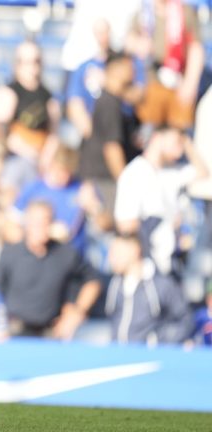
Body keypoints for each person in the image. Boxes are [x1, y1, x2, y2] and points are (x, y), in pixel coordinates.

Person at [0, 201, 101, 339]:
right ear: (27, 224)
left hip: (51, 333)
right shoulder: (10, 254)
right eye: (36, 222)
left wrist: (77, 311)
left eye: (46, 221)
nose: (42, 226)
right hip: (16, 332)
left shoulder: (66, 253)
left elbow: (93, 282)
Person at [114, 125, 208, 276]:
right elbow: (126, 225)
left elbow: (203, 172)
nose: (180, 149)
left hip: (173, 262)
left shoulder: (172, 171)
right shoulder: (134, 174)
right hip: (149, 266)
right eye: (176, 140)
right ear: (157, 137)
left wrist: (186, 141)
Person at [0, 41, 61, 201]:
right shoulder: (7, 94)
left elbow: (53, 135)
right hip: (12, 158)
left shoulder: (49, 98)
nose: (32, 68)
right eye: (26, 62)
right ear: (17, 64)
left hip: (38, 161)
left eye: (36, 61)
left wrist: (44, 159)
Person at [127, 0, 205, 131]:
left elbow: (196, 49)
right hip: (152, 85)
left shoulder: (185, 11)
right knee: (151, 133)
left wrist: (190, 83)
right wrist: (138, 44)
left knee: (181, 133)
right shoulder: (144, 14)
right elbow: (129, 41)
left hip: (179, 84)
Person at [77, 52, 139, 213]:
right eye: (129, 66)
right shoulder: (109, 103)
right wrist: (125, 186)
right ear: (115, 69)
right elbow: (112, 147)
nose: (134, 70)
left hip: (103, 180)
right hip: (104, 181)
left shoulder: (114, 101)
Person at [105, 233, 194, 345]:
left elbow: (185, 320)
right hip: (117, 355)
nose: (110, 258)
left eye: (116, 252)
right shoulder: (114, 284)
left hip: (148, 356)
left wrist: (158, 340)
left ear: (134, 250)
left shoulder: (161, 284)